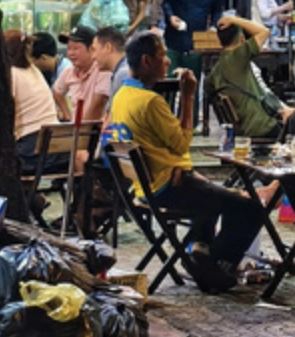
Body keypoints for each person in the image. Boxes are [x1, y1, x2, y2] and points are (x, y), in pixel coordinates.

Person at [106, 31, 259, 293]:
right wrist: (188, 95)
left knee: (210, 194)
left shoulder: (122, 95)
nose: (166, 62)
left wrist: (184, 167)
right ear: (146, 61)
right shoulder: (150, 102)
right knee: (249, 207)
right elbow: (181, 142)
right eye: (162, 56)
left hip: (150, 184)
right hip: (166, 187)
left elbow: (165, 146)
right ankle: (213, 263)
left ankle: (199, 252)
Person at [207, 14, 295, 142]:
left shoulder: (217, 70)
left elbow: (208, 88)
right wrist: (233, 19)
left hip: (246, 130)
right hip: (265, 129)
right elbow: (264, 31)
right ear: (241, 38)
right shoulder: (238, 57)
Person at [4, 30, 66, 178]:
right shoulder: (33, 71)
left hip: (32, 151)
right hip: (57, 147)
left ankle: (27, 199)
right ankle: (32, 199)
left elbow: (5, 116)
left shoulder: (11, 75)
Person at [53, 26, 111, 122]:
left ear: (91, 49)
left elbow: (99, 104)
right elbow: (57, 92)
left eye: (76, 48)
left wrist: (82, 129)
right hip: (75, 129)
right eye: (69, 48)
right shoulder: (69, 72)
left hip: (96, 130)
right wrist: (67, 114)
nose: (70, 53)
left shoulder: (102, 70)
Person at [91, 27, 132, 94]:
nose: (93, 57)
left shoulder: (123, 74)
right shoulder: (124, 69)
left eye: (94, 50)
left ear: (108, 47)